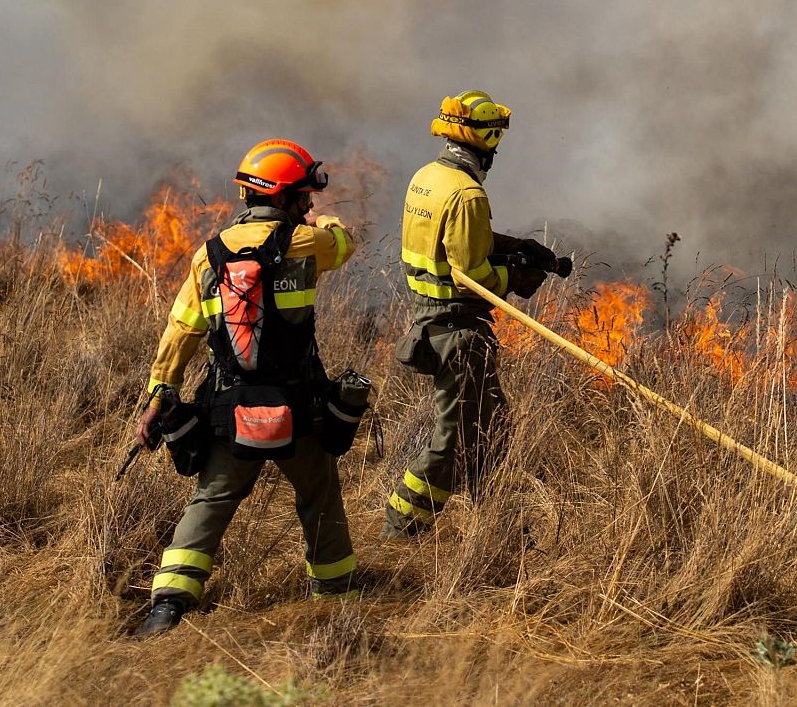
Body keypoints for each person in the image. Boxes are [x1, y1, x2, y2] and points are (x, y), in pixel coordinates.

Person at [133, 139, 357, 638]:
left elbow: (182, 329)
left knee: (211, 498)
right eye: (302, 196)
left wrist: (158, 393)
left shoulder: (206, 255)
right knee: (318, 492)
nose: (307, 204)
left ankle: (167, 604)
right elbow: (345, 244)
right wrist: (325, 222)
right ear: (283, 198)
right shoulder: (306, 243)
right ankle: (336, 595)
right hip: (297, 407)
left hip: (230, 406)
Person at [383, 90, 552, 538]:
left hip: (431, 316)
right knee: (454, 435)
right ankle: (401, 526)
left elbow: (452, 238)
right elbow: (469, 274)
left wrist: (514, 247)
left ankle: (496, 525)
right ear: (488, 139)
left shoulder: (428, 178)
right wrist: (516, 277)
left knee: (492, 424)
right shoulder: (467, 193)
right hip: (456, 326)